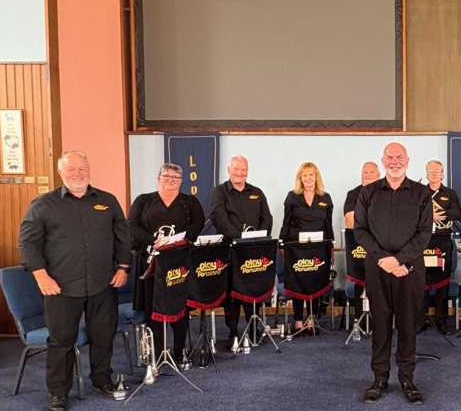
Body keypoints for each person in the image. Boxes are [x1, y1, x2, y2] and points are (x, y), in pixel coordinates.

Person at [18, 151, 131, 411]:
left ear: (88, 170)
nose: (77, 173)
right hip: (60, 286)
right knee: (61, 342)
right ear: (61, 172)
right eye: (71, 169)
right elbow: (27, 243)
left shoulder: (107, 201)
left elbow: (123, 236)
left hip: (103, 283)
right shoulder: (43, 204)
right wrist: (41, 275)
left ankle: (102, 380)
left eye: (82, 168)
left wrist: (123, 267)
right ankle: (59, 393)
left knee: (103, 336)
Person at [355, 143, 432, 404]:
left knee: (408, 325)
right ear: (383, 160)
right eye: (390, 157)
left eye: (399, 157)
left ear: (407, 161)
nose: (394, 161)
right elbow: (360, 231)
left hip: (409, 270)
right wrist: (384, 260)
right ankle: (379, 378)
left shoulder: (422, 193)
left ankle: (407, 379)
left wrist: (399, 260)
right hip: (377, 269)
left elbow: (425, 233)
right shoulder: (368, 192)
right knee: (380, 325)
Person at [128, 163, 205, 363]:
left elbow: (198, 225)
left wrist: (175, 241)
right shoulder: (143, 200)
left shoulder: (190, 202)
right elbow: (132, 226)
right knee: (153, 308)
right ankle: (157, 353)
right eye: (166, 176)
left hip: (179, 263)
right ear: (158, 178)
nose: (171, 180)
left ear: (181, 181)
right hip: (150, 262)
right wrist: (154, 240)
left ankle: (180, 351)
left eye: (175, 177)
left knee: (179, 307)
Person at [209, 155, 273, 351]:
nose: (240, 173)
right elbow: (219, 219)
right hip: (230, 250)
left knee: (253, 290)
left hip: (253, 249)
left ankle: (253, 328)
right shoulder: (219, 192)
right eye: (236, 169)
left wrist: (256, 238)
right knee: (232, 294)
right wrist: (240, 237)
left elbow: (267, 218)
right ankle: (233, 332)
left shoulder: (257, 193)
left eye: (243, 169)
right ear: (229, 170)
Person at [279, 162, 334, 336]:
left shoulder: (326, 198)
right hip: (296, 248)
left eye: (311, 175)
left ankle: (311, 320)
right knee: (298, 283)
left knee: (315, 282)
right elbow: (286, 222)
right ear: (300, 178)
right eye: (305, 175)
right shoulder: (292, 197)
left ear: (316, 177)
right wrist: (282, 245)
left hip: (319, 249)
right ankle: (297, 321)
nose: (308, 178)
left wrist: (331, 248)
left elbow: (328, 226)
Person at [417, 160, 461, 336]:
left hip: (442, 241)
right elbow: (411, 214)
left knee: (443, 282)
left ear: (442, 174)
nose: (434, 174)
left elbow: (457, 213)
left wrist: (438, 215)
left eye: (437, 171)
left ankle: (441, 320)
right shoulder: (419, 192)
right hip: (423, 242)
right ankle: (420, 320)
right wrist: (429, 216)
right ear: (426, 174)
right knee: (421, 281)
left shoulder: (450, 193)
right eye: (431, 171)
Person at [343, 162, 380, 329]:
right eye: (365, 172)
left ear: (378, 175)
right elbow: (350, 221)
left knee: (381, 284)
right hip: (359, 247)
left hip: (382, 248)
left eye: (372, 172)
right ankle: (360, 321)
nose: (368, 175)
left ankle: (380, 321)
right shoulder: (353, 194)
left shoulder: (387, 192)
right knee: (360, 282)